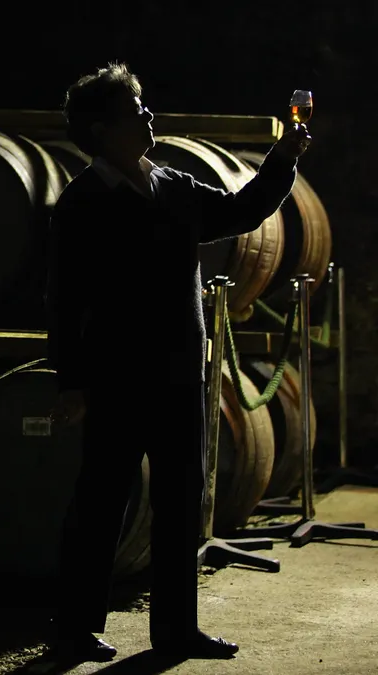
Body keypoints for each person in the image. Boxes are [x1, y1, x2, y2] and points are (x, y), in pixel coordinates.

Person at [44, 62, 311, 663]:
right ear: (104, 128)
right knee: (101, 502)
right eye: (136, 109)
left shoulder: (171, 187)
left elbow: (244, 212)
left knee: (179, 500)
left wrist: (286, 153)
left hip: (177, 374)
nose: (148, 115)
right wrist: (71, 382)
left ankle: (175, 630)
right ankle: (73, 628)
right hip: (116, 376)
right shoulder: (83, 203)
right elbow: (63, 300)